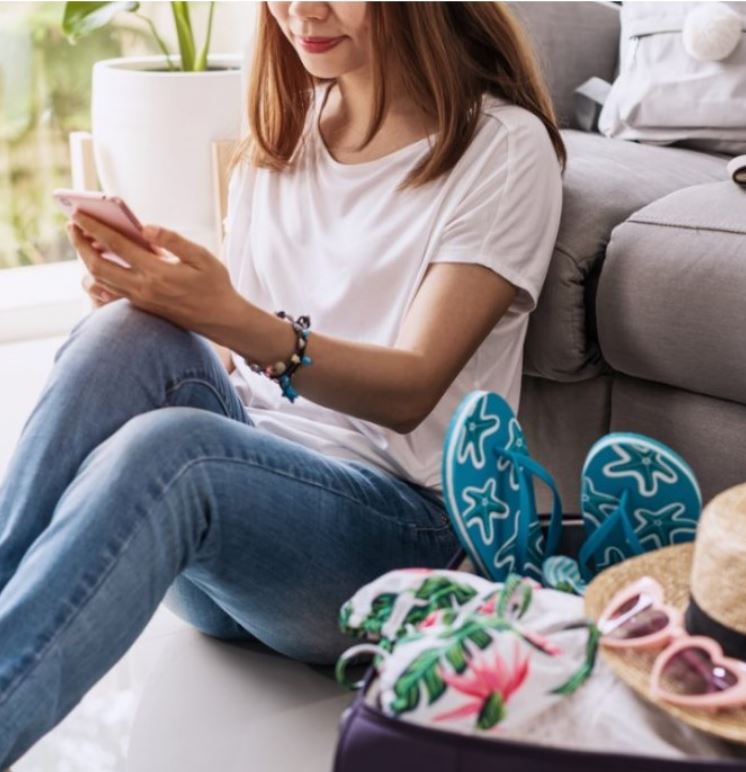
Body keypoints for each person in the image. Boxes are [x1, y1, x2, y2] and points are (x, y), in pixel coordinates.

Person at [0, 2, 565, 765]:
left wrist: (235, 318)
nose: (302, 10)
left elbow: (413, 386)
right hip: (247, 545)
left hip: (396, 538)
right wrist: (174, 311)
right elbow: (236, 367)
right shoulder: (286, 129)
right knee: (123, 335)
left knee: (183, 451)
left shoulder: (500, 148)